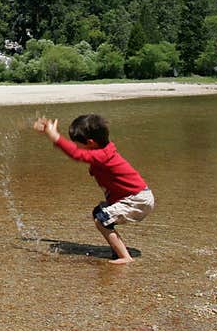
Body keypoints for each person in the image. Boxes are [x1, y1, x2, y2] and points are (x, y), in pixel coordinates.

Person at [33, 113, 154, 264]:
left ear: (91, 143)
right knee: (99, 212)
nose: (76, 146)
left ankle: (125, 257)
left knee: (101, 220)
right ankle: (117, 252)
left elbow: (76, 154)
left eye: (77, 143)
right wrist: (51, 135)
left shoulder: (103, 156)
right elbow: (77, 152)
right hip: (136, 197)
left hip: (137, 200)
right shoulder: (104, 152)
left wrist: (54, 136)